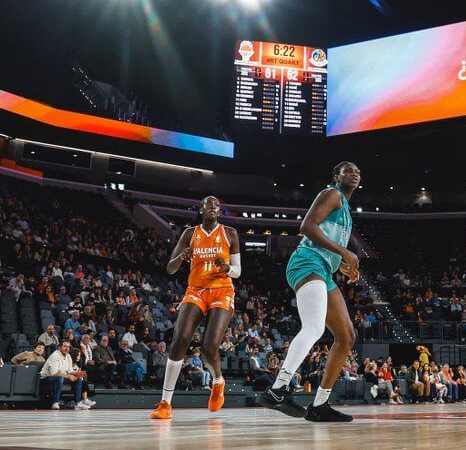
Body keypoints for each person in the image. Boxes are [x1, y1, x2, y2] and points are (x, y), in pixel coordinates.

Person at [259, 162, 360, 422]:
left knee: (347, 336)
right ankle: (278, 389)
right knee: (314, 328)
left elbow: (329, 242)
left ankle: (320, 405)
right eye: (348, 170)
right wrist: (343, 252)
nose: (355, 173)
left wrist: (342, 265)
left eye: (358, 171)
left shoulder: (346, 209)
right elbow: (307, 227)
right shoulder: (332, 194)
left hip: (323, 270)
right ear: (336, 176)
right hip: (306, 261)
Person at [150, 196, 241, 419]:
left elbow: (238, 271)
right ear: (201, 209)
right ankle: (165, 403)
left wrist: (227, 267)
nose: (213, 207)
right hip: (196, 290)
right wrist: (182, 256)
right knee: (179, 339)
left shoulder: (230, 233)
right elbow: (170, 269)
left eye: (217, 205)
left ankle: (218, 382)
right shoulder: (190, 234)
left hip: (222, 290)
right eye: (209, 204)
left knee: (210, 347)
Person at [40, 341, 92, 410]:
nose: (67, 348)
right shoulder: (55, 355)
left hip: (61, 377)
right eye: (64, 346)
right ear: (59, 347)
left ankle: (78, 403)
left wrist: (77, 373)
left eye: (68, 347)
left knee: (79, 379)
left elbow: (69, 371)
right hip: (46, 378)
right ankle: (55, 402)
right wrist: (69, 376)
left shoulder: (68, 356)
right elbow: (54, 373)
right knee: (60, 378)